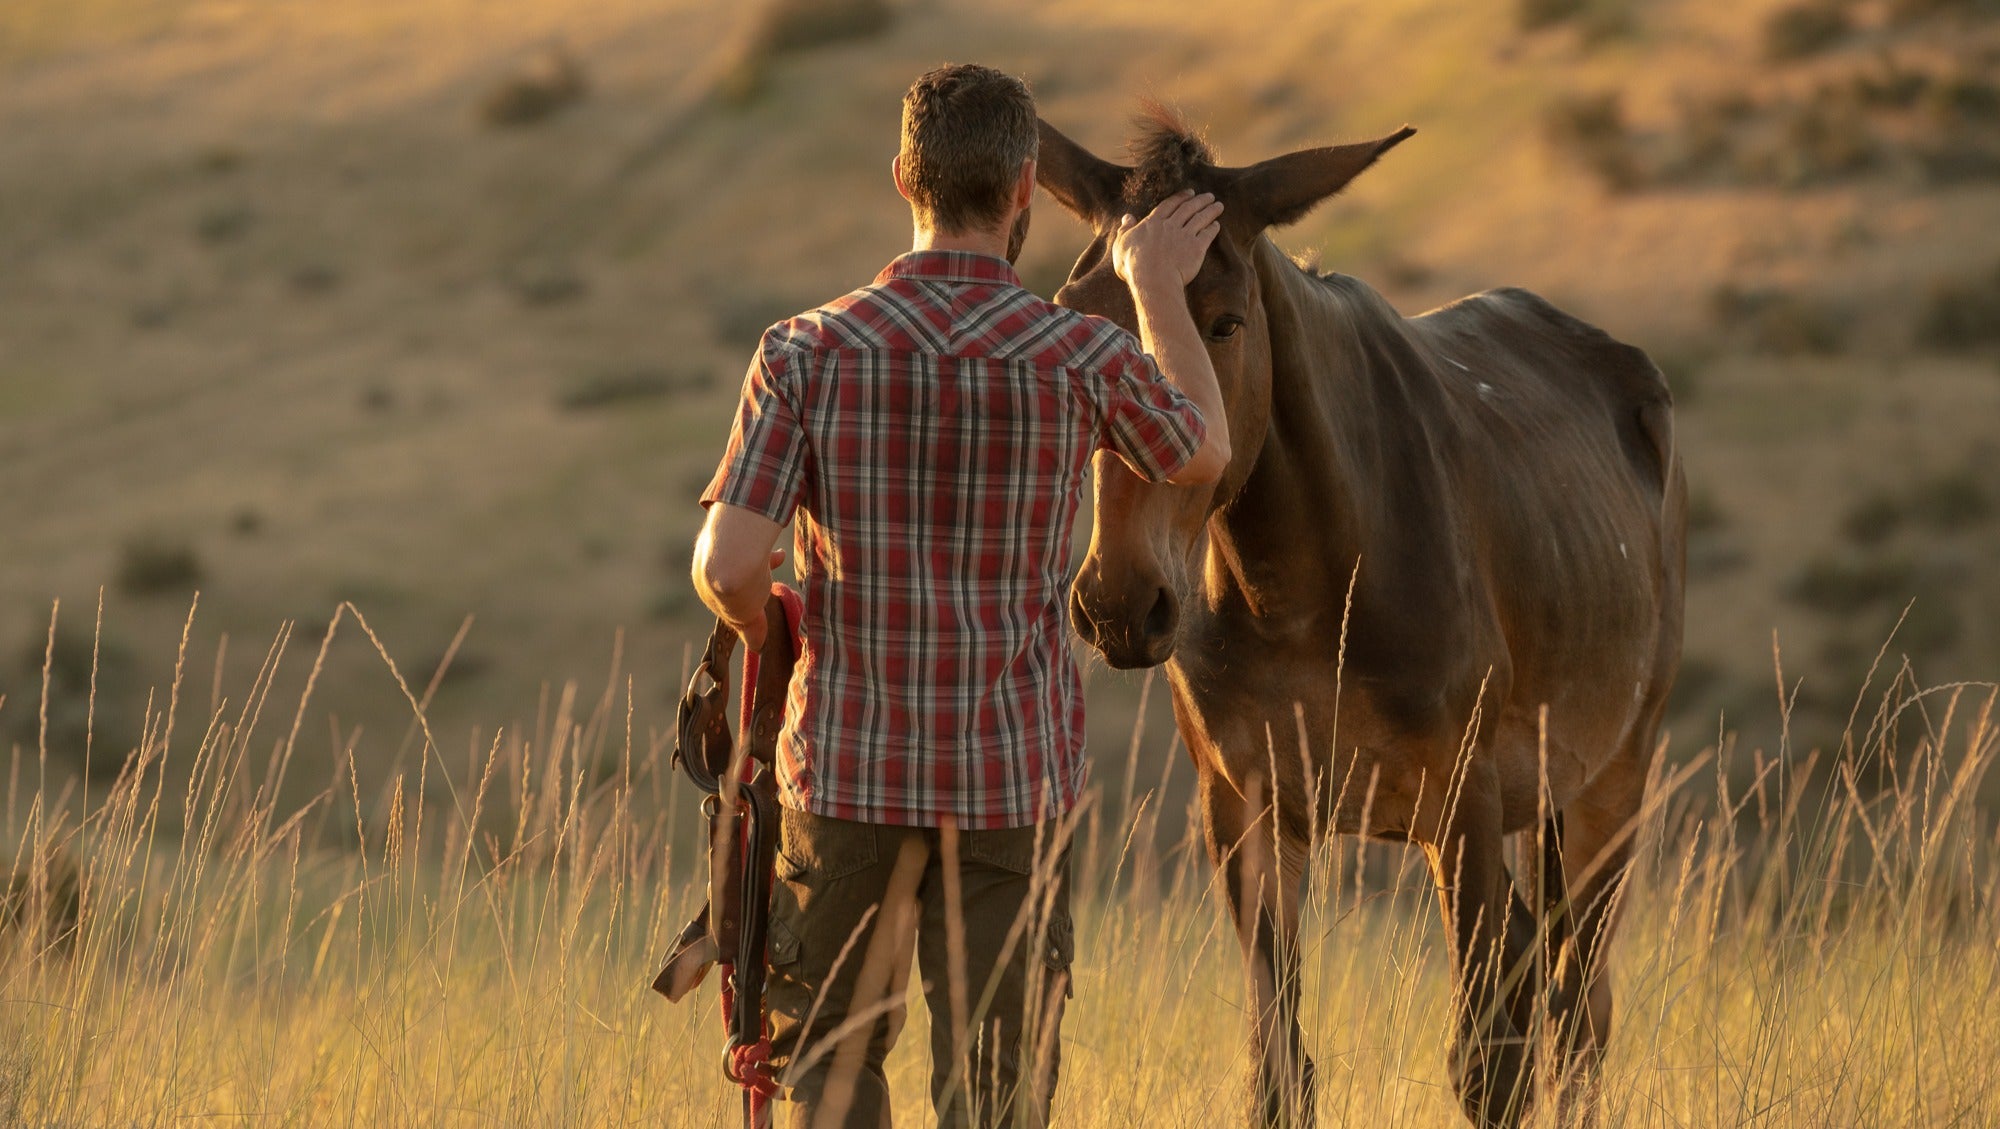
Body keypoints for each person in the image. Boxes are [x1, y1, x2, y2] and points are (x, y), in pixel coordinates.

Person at [691, 62, 1230, 1129]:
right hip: (1010, 782)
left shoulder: (802, 352)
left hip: (842, 771)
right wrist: (1154, 286)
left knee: (830, 1073)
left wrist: (767, 631)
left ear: (902, 177)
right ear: (1023, 189)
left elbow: (726, 567)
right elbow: (1200, 450)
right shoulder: (1078, 353)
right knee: (997, 1091)